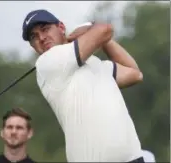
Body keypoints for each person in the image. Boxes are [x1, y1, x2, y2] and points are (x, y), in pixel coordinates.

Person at [21, 9, 144, 162]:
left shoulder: (96, 64)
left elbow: (135, 73)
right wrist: (90, 27)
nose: (41, 38)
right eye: (34, 37)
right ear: (33, 46)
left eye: (45, 29)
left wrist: (105, 41)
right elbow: (105, 29)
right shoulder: (48, 63)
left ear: (61, 27)